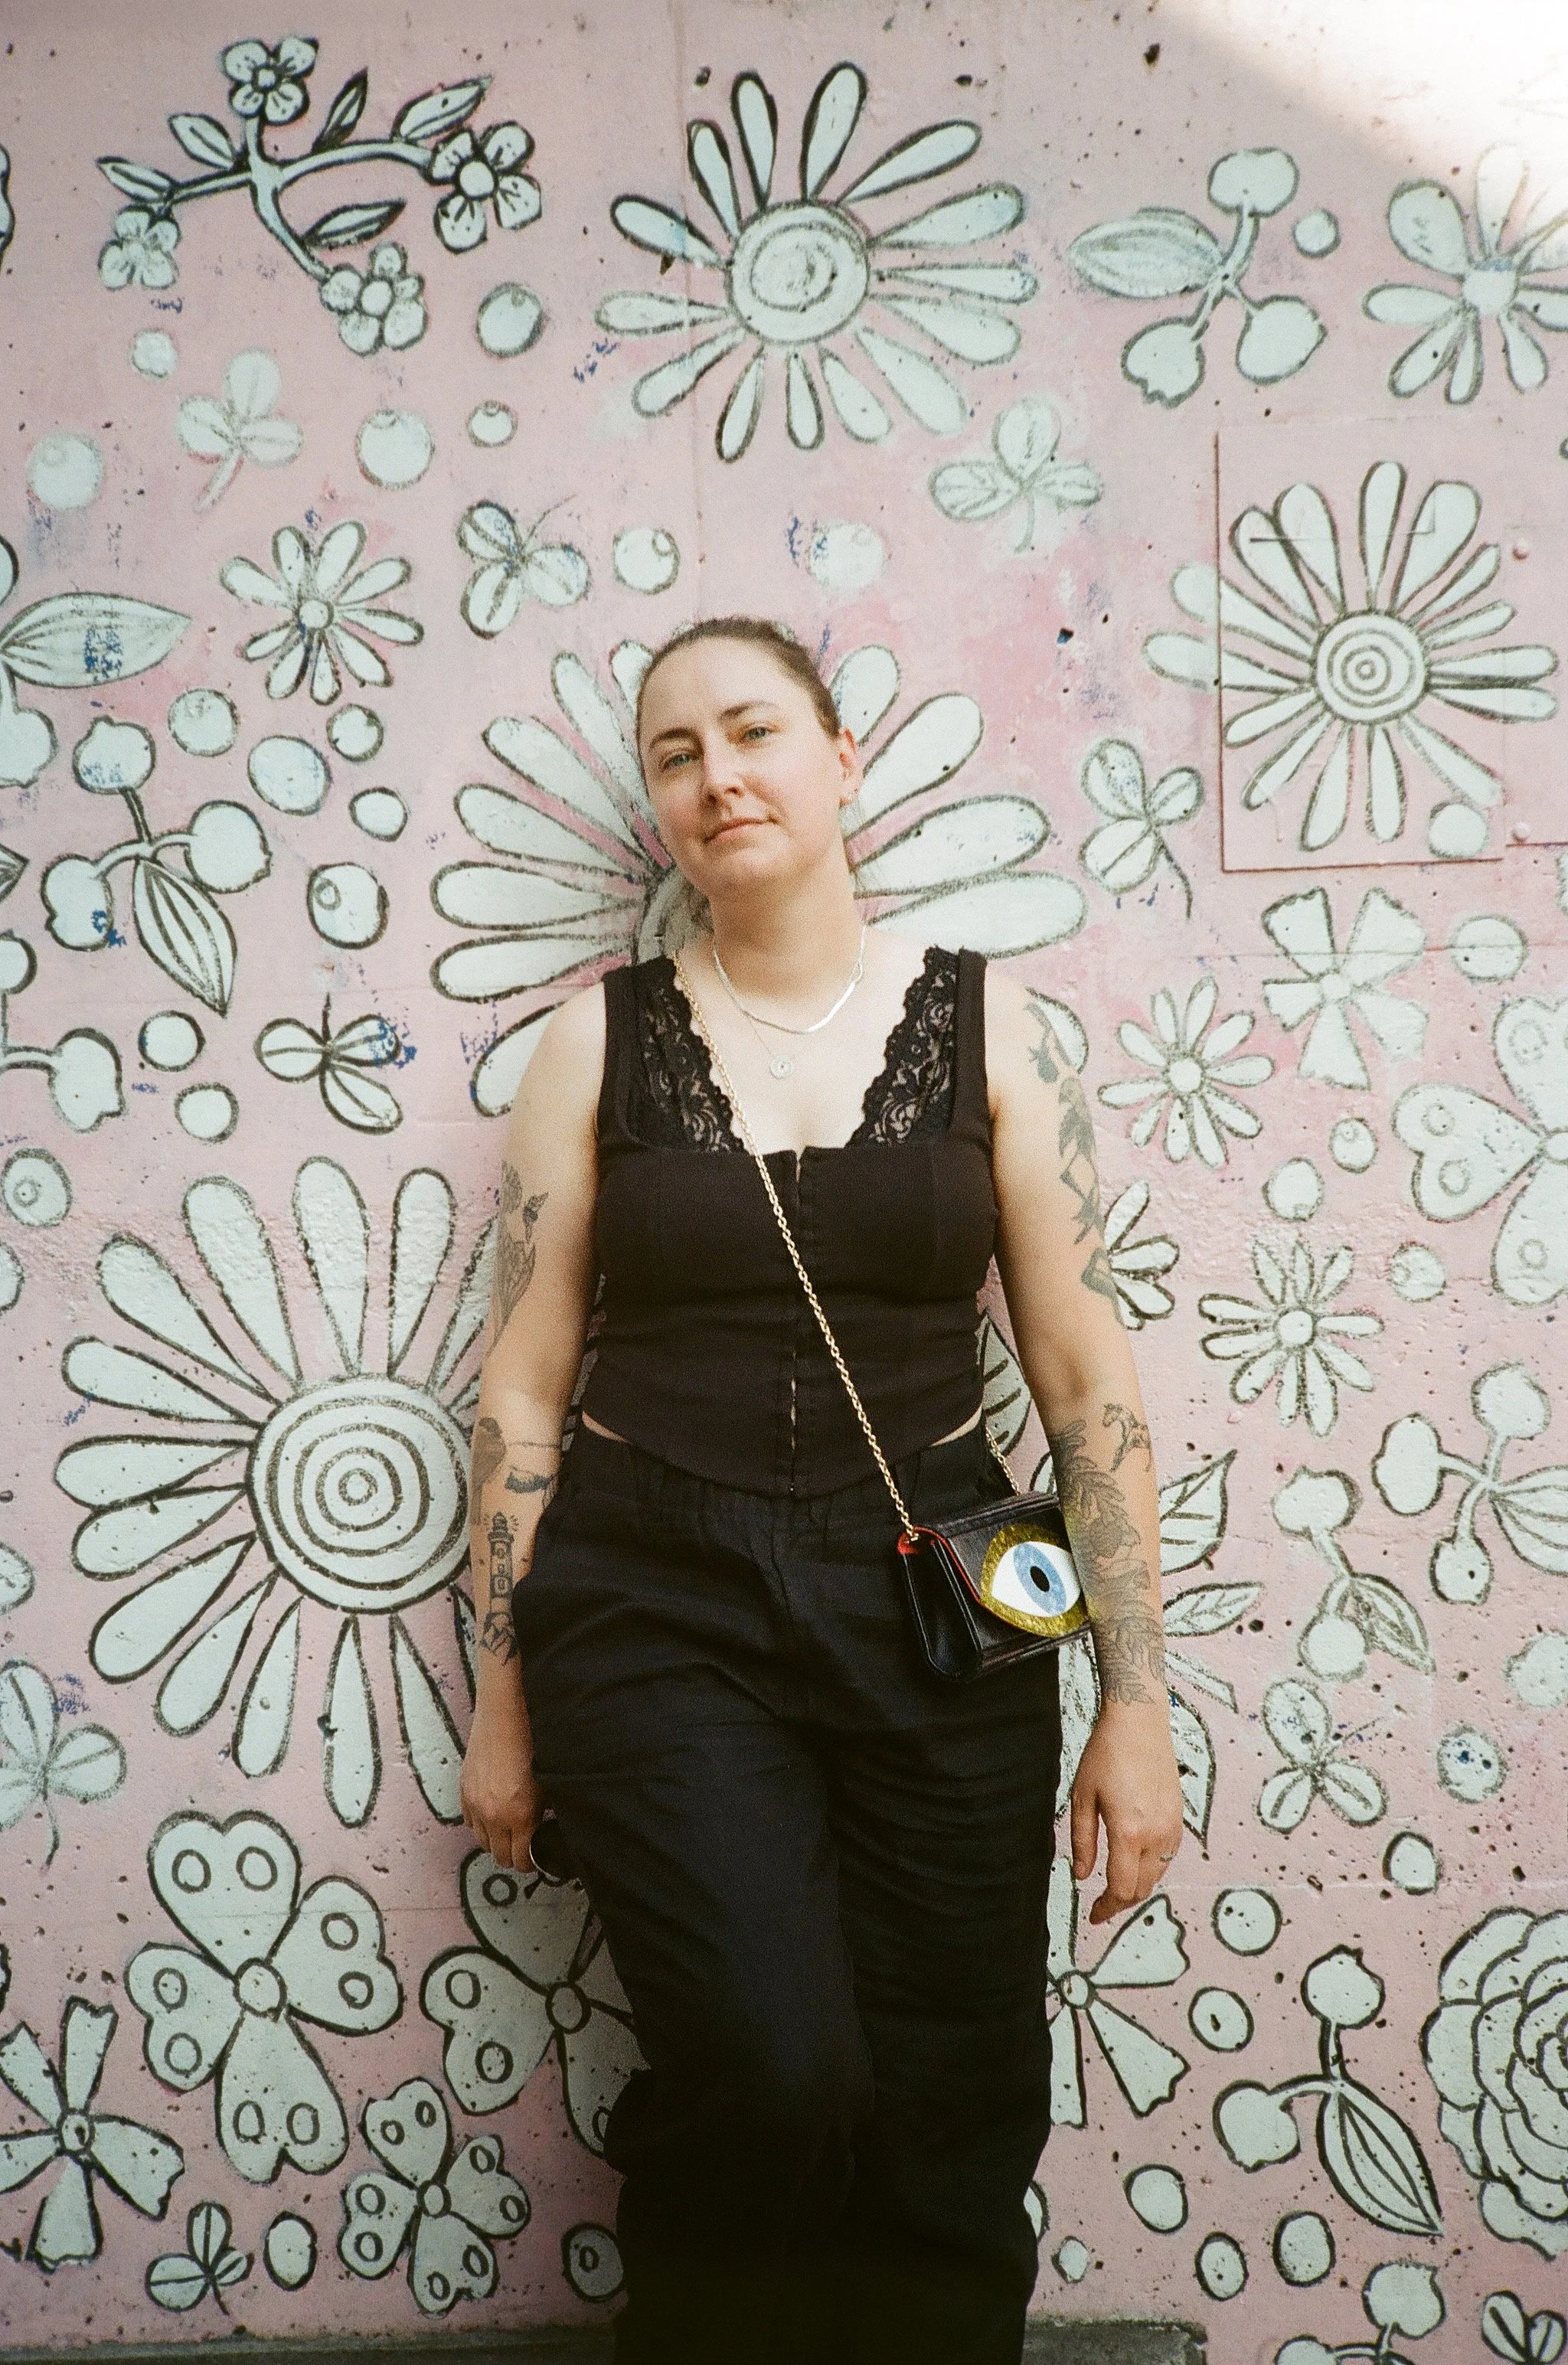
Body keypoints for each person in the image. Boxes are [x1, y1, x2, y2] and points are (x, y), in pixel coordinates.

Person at [458, 616, 1184, 2365]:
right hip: (655, 1599)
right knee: (773, 2070)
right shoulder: (593, 1048)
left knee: (959, 2090)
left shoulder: (998, 1028)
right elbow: (523, 1389)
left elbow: (1083, 1377)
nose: (719, 776)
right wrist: (501, 1688)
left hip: (945, 1592)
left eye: (753, 730)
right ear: (658, 807)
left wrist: (1138, 1700)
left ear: (842, 757)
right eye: (676, 754)